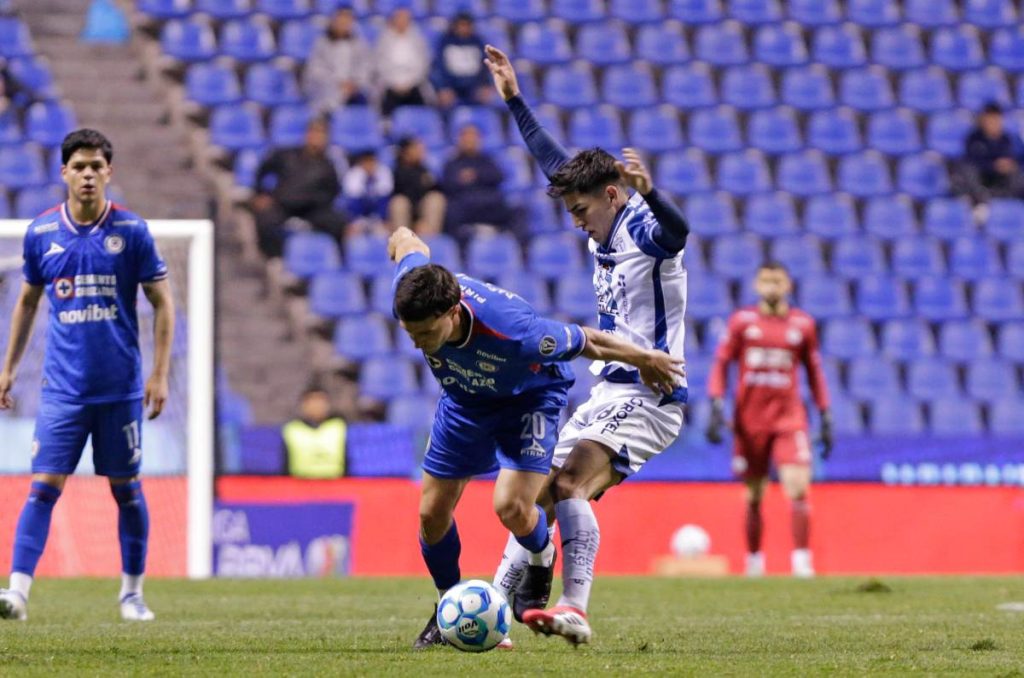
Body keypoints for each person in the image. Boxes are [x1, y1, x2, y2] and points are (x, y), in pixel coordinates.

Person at [388, 226, 684, 650]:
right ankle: (447, 607)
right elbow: (405, 240)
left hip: (529, 399)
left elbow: (590, 341)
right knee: (431, 514)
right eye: (410, 333)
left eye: (425, 334)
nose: (418, 344)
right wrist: (396, 241)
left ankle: (542, 556)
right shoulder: (413, 290)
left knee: (511, 506)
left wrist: (645, 357)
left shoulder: (517, 333)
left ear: (453, 312)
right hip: (464, 402)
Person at [483, 45, 691, 646]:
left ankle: (574, 607)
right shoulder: (598, 217)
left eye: (581, 209)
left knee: (569, 483)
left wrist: (651, 192)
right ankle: (495, 610)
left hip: (654, 393)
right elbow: (554, 163)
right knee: (539, 492)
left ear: (613, 194)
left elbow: (678, 233)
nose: (576, 220)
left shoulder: (643, 230)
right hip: (608, 392)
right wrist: (515, 99)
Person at [0, 129, 175, 621]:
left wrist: (159, 375)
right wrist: (7, 369)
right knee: (42, 487)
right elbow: (27, 303)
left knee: (126, 490)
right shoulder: (40, 234)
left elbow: (164, 303)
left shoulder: (132, 232)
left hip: (119, 389)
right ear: (64, 173)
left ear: (109, 172)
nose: (88, 175)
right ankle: (16, 593)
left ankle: (132, 594)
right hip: (63, 390)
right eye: (79, 167)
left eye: (97, 166)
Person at [705, 262, 833, 578]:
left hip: (789, 419)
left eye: (777, 281)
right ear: (757, 285)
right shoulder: (742, 322)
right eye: (766, 280)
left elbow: (814, 372)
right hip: (749, 422)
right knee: (754, 494)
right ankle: (754, 561)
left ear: (788, 285)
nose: (771, 287)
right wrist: (716, 403)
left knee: (798, 487)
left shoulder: (802, 324)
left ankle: (802, 562)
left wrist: (825, 412)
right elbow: (721, 364)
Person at [251, 117, 346, 259]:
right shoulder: (287, 155)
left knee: (338, 222)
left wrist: (317, 201)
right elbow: (263, 169)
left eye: (322, 134)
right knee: (265, 219)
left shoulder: (328, 165)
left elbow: (333, 191)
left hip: (312, 210)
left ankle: (332, 261)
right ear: (307, 134)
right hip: (283, 205)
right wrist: (261, 193)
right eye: (315, 133)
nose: (318, 138)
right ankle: (274, 259)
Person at [440, 123, 512, 241]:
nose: (469, 140)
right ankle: (460, 248)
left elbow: (498, 176)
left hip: (489, 203)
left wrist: (476, 175)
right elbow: (448, 184)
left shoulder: (487, 160)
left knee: (517, 209)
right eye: (466, 137)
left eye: (473, 136)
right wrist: (461, 180)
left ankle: (513, 244)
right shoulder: (452, 163)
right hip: (464, 204)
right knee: (451, 210)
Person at [303, 7, 371, 113]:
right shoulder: (322, 44)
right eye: (340, 21)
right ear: (334, 22)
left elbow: (364, 65)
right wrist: (338, 83)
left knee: (365, 103)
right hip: (328, 89)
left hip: (353, 88)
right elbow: (315, 70)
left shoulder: (358, 44)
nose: (343, 24)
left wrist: (354, 83)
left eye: (347, 21)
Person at [958, 101, 1024, 204]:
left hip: (1003, 180)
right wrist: (993, 165)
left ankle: (1011, 201)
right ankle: (981, 201)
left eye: (996, 120)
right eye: (990, 120)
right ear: (983, 120)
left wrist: (1011, 165)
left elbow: (1019, 158)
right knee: (967, 171)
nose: (993, 123)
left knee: (1018, 173)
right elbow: (971, 160)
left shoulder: (1008, 139)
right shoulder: (974, 138)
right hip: (982, 178)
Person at [374, 8, 431, 117]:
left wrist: (410, 82)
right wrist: (395, 83)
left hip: (414, 83)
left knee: (422, 101)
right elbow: (380, 65)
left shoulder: (417, 40)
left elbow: (423, 64)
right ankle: (387, 124)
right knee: (385, 99)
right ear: (394, 21)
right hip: (390, 84)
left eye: (405, 19)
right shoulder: (384, 40)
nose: (402, 22)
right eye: (399, 19)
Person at [283, 386, 347, 479]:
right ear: (303, 405)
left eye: (321, 401)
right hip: (300, 483)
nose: (317, 406)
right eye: (312, 401)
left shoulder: (339, 427)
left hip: (334, 483)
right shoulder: (292, 429)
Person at [431, 12, 491, 108]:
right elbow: (438, 66)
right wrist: (443, 87)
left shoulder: (478, 42)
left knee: (485, 99)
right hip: (451, 85)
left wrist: (486, 85)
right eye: (461, 25)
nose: (464, 28)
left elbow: (486, 66)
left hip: (474, 86)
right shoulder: (445, 42)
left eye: (467, 25)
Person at [389, 136, 445, 236]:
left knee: (436, 198)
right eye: (415, 148)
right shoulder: (397, 172)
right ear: (406, 152)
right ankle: (402, 241)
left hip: (423, 215)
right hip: (405, 216)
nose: (420, 150)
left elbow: (435, 188)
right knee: (399, 202)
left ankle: (429, 238)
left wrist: (422, 221)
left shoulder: (424, 170)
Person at [342, 150, 393, 223]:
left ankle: (380, 220)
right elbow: (353, 193)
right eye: (366, 162)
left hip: (377, 203)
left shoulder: (384, 171)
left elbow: (386, 191)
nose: (369, 165)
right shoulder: (353, 173)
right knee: (352, 201)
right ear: (361, 163)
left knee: (385, 200)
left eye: (371, 162)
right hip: (360, 204)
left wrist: (373, 189)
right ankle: (357, 221)